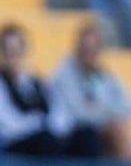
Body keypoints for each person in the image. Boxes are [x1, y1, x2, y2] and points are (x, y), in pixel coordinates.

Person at [0, 23, 101, 158]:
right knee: (46, 142)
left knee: (87, 136)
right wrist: (40, 125)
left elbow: (57, 112)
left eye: (18, 52)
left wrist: (54, 128)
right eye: (9, 52)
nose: (14, 59)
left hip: (44, 135)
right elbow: (10, 125)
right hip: (18, 140)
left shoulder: (35, 81)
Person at [49, 22, 131, 160]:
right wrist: (106, 114)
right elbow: (79, 114)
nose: (89, 54)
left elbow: (129, 105)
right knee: (116, 132)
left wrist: (105, 112)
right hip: (73, 135)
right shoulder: (64, 74)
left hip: (100, 131)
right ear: (77, 48)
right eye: (85, 49)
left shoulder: (100, 75)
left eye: (93, 50)